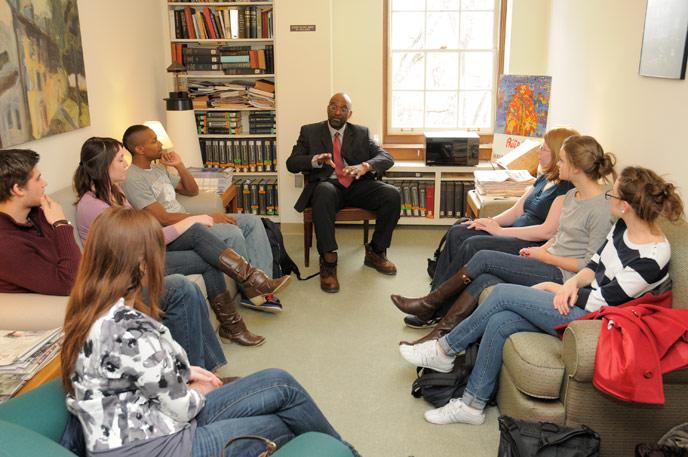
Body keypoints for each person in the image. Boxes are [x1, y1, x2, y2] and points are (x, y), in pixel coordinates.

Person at [62, 207, 360, 457]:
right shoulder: (129, 330)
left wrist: (184, 370)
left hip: (147, 425)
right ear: (141, 263)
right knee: (284, 421)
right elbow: (180, 406)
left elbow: (133, 374)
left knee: (280, 383)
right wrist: (197, 391)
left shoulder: (92, 310)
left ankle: (347, 453)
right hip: (161, 445)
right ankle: (346, 452)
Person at [399, 166, 683, 426]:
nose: (608, 197)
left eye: (613, 193)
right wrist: (572, 286)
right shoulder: (623, 226)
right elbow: (594, 266)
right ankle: (472, 405)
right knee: (501, 320)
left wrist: (555, 288)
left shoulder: (653, 256)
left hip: (600, 320)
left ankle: (443, 350)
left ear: (626, 206)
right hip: (584, 298)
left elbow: (604, 301)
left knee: (499, 293)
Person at [0, 149, 223, 371]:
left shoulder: (38, 213)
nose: (44, 183)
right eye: (38, 179)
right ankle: (191, 380)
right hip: (85, 296)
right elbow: (69, 281)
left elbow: (78, 265)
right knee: (180, 289)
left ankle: (208, 372)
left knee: (186, 280)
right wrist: (61, 226)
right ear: (17, 189)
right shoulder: (7, 243)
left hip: (96, 281)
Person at [392, 135, 616, 344]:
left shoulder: (601, 209)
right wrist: (543, 250)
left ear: (576, 168)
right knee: (484, 278)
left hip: (561, 273)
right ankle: (440, 336)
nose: (558, 164)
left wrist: (545, 256)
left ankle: (429, 304)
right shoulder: (571, 195)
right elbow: (559, 236)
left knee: (483, 258)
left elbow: (588, 266)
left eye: (563, 161)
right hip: (545, 257)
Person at [73, 137, 292, 346]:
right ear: (103, 167)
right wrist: (185, 223)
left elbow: (145, 236)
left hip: (143, 253)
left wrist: (187, 221)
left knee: (203, 248)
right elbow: (140, 241)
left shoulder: (115, 192)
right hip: (128, 268)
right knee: (195, 231)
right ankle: (249, 290)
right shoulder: (93, 207)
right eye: (120, 160)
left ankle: (238, 312)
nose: (126, 164)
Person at [409, 127, 577, 329]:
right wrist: (489, 222)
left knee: (472, 245)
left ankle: (438, 309)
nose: (539, 152)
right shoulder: (544, 179)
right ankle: (432, 301)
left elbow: (546, 231)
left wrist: (500, 231)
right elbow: (516, 211)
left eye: (544, 149)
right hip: (512, 232)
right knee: (459, 230)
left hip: (529, 242)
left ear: (559, 153)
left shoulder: (566, 188)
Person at [120, 124, 276, 289]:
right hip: (175, 231)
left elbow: (192, 191)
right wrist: (207, 218)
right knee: (233, 233)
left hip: (188, 220)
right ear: (140, 149)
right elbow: (163, 219)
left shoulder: (158, 169)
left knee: (251, 221)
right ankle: (252, 290)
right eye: (154, 141)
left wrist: (179, 165)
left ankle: (265, 283)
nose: (160, 145)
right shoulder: (133, 179)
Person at [286, 92, 401, 293]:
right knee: (322, 191)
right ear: (327, 108)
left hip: (357, 186)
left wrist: (365, 166)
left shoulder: (362, 133)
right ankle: (329, 260)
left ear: (350, 114)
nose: (337, 112)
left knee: (392, 194)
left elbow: (387, 157)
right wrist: (314, 160)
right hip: (329, 187)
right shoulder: (310, 131)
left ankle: (375, 252)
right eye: (333, 106)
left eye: (343, 108)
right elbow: (291, 163)